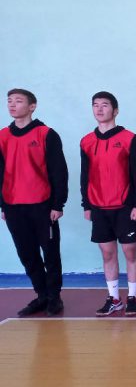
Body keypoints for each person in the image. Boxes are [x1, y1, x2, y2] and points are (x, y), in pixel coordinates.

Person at [1, 89, 68, 316]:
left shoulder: (46, 134)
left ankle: (55, 297)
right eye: (9, 101)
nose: (12, 105)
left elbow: (59, 172)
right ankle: (42, 295)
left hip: (42, 206)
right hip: (13, 206)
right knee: (27, 254)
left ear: (32, 106)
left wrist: (58, 204)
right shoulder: (2, 137)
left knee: (50, 253)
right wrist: (3, 205)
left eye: (18, 101)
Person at [80, 92, 136, 316]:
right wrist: (87, 205)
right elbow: (84, 175)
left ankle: (132, 297)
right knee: (107, 254)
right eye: (95, 105)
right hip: (99, 207)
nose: (99, 109)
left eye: (105, 105)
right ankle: (114, 298)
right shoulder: (86, 141)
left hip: (125, 207)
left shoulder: (129, 139)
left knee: (130, 252)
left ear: (115, 110)